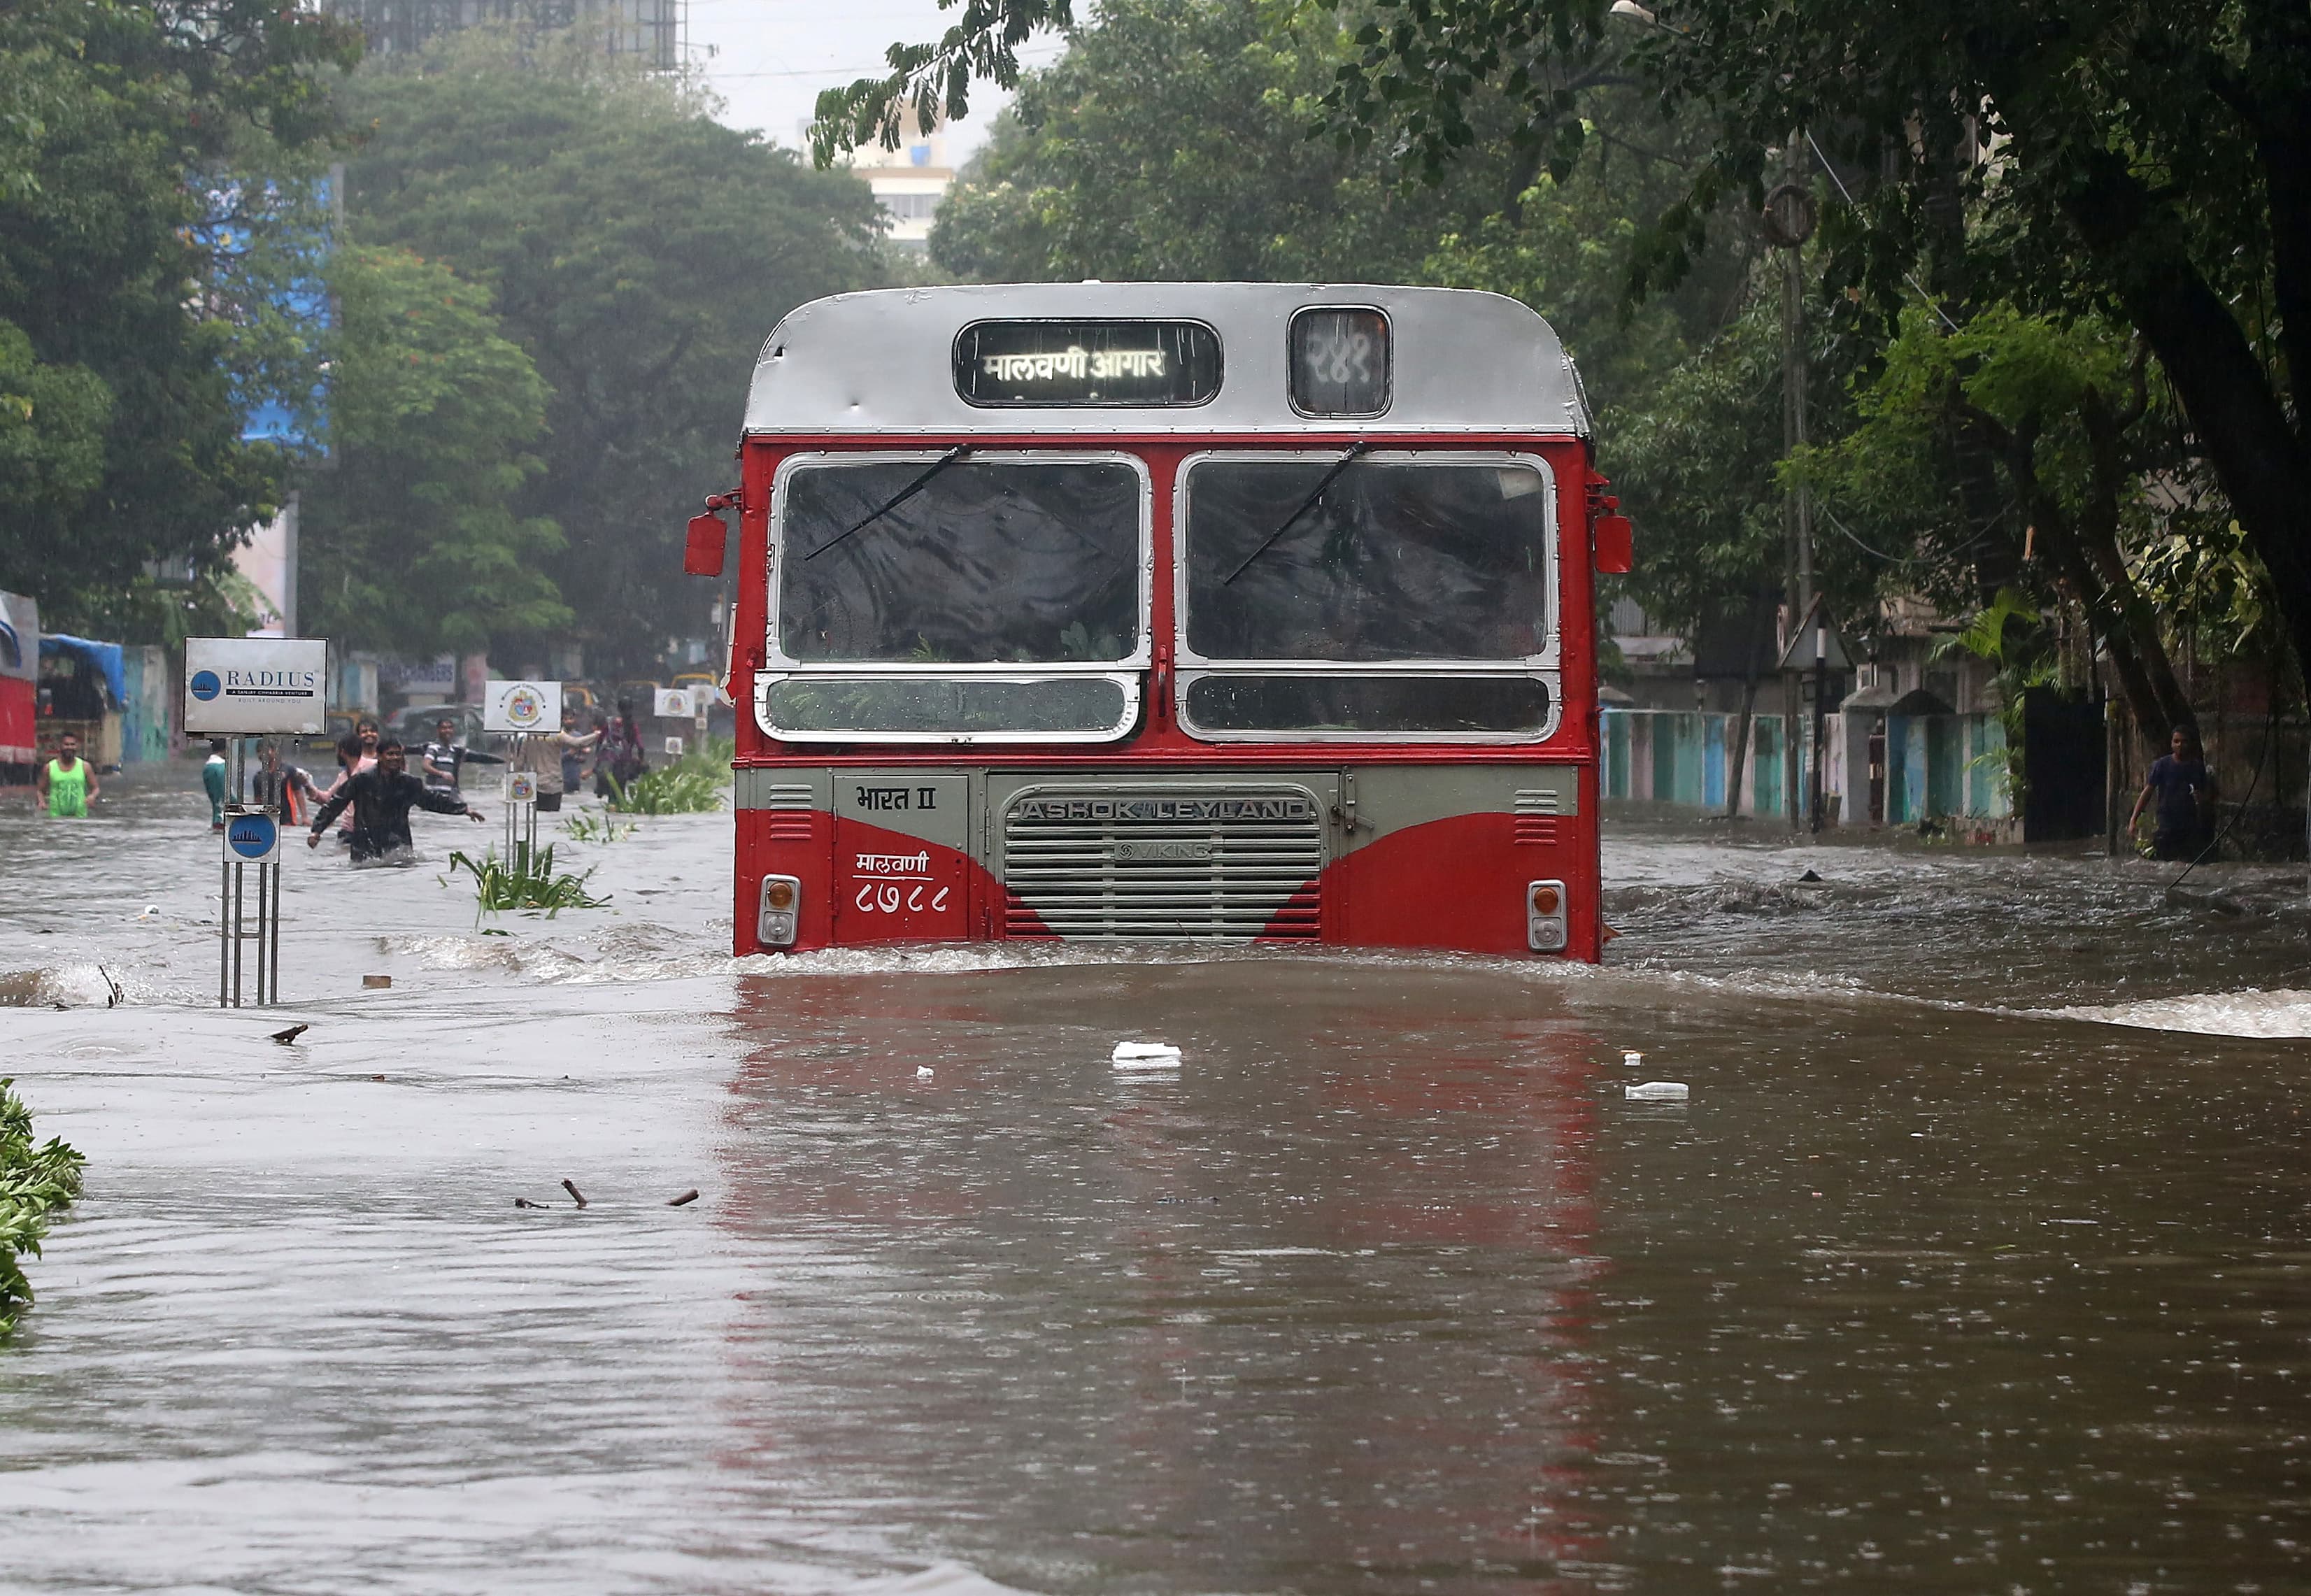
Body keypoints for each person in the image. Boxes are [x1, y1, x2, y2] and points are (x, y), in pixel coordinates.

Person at [306, 739, 485, 863]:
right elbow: (337, 803)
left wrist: (464, 809)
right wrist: (317, 831)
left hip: (398, 845)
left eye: (398, 754)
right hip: (365, 847)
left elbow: (431, 800)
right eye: (390, 754)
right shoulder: (361, 780)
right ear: (380, 756)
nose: (394, 758)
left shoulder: (409, 783)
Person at [2130, 725, 2218, 861]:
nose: (2180, 745)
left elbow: (2206, 796)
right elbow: (2147, 792)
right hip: (2166, 823)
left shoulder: (2197, 767)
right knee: (2163, 862)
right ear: (2171, 743)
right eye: (2176, 741)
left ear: (2190, 744)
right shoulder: (2162, 765)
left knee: (2187, 862)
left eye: (2184, 741)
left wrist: (2202, 799)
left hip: (2189, 825)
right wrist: (2134, 819)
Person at [511, 724, 600, 813]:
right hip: (554, 783)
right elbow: (578, 743)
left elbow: (519, 764)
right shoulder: (557, 735)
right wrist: (596, 735)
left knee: (537, 817)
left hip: (535, 783)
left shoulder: (529, 738)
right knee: (553, 817)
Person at [250, 740, 325, 828]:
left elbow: (299, 794)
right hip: (267, 822)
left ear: (274, 751)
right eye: (259, 751)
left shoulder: (289, 770)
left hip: (288, 820)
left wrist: (305, 817)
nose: (262, 754)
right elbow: (258, 801)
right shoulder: (258, 777)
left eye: (265, 750)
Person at [36, 732, 97, 818]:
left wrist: (92, 796)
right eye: (66, 744)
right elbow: (40, 790)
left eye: (72, 744)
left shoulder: (85, 766)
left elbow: (96, 788)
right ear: (60, 746)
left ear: (77, 747)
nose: (69, 747)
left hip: (80, 818)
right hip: (56, 818)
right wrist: (41, 802)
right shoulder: (49, 767)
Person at [421, 716, 465, 795]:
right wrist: (442, 774)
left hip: (448, 794)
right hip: (434, 794)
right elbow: (425, 766)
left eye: (450, 728)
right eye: (444, 728)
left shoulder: (453, 751)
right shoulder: (434, 748)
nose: (447, 730)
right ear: (438, 731)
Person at [201, 739, 228, 831]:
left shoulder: (207, 767)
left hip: (216, 820)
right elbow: (228, 793)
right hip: (225, 820)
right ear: (226, 750)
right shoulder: (222, 767)